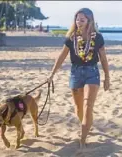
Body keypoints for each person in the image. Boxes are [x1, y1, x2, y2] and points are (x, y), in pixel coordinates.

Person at [47, 8, 110, 148]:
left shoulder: (98, 37)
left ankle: (82, 139)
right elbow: (62, 56)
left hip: (92, 72)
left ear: (89, 21)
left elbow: (104, 59)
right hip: (75, 73)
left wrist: (107, 77)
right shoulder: (71, 37)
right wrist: (52, 73)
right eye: (77, 19)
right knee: (78, 108)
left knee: (88, 106)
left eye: (82, 19)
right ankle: (86, 125)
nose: (78, 22)